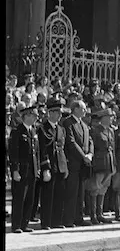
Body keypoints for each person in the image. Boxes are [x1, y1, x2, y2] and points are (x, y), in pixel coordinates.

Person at [9, 104, 42, 233]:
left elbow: (37, 152)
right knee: (19, 198)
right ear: (27, 116)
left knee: (30, 198)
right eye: (34, 115)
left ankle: (24, 223)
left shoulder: (33, 131)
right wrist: (15, 170)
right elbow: (14, 152)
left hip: (32, 169)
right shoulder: (17, 131)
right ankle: (16, 224)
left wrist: (38, 168)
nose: (36, 117)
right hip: (22, 170)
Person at [37, 97, 69, 229]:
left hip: (60, 165)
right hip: (50, 165)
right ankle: (46, 222)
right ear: (50, 113)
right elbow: (43, 149)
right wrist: (45, 168)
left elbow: (63, 149)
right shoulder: (43, 128)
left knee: (59, 195)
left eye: (60, 112)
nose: (60, 115)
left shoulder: (61, 129)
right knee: (48, 196)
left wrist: (65, 167)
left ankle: (56, 221)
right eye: (57, 112)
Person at [62, 99, 94, 227]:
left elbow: (90, 141)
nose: (85, 110)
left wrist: (90, 154)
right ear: (75, 109)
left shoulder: (84, 125)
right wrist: (83, 156)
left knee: (81, 193)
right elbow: (71, 142)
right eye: (83, 108)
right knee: (72, 192)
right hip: (73, 163)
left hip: (83, 164)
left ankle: (78, 217)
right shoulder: (68, 122)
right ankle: (69, 219)